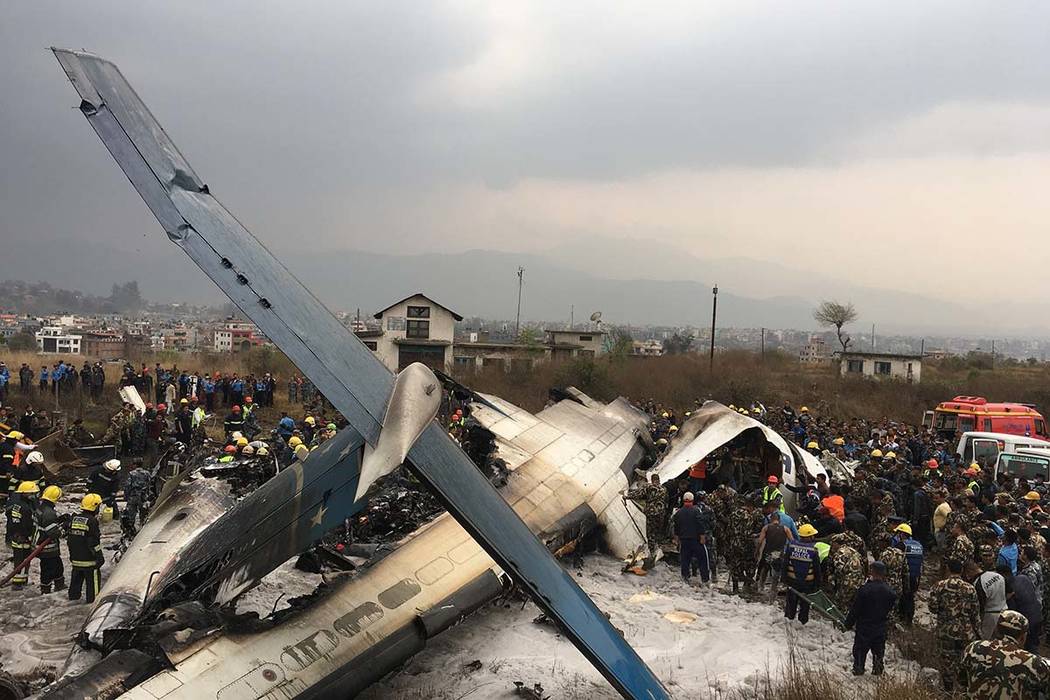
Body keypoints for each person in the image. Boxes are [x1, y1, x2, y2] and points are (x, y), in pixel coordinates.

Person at [961, 609, 1050, 697]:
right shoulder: (1035, 664)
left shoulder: (973, 648)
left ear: (996, 629)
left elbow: (962, 680)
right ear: (1023, 637)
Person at [928, 559, 981, 691]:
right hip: (966, 632)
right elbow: (975, 613)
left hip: (946, 632)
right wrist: (978, 632)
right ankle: (964, 690)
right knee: (965, 662)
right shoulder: (970, 588)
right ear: (961, 570)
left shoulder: (939, 586)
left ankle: (949, 691)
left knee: (947, 663)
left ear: (948, 569)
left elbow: (932, 608)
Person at [845, 561, 897, 676]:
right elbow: (891, 612)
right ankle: (877, 675)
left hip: (864, 627)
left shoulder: (864, 590)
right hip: (881, 628)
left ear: (872, 572)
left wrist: (848, 624)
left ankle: (858, 672)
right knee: (878, 655)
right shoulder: (891, 592)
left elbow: (855, 610)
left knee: (859, 653)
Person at [67, 493, 104, 604]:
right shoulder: (92, 521)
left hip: (76, 560)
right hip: (90, 562)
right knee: (93, 591)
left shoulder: (74, 519)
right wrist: (99, 557)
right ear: (94, 506)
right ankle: (91, 606)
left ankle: (72, 602)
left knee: (75, 585)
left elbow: (70, 540)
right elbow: (94, 542)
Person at [781, 523, 822, 624]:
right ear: (809, 536)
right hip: (807, 584)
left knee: (790, 604)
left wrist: (784, 579)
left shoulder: (791, 547)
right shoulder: (813, 550)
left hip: (792, 581)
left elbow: (785, 564)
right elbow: (817, 570)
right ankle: (802, 623)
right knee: (805, 606)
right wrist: (818, 585)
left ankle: (789, 622)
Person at [626, 474, 668, 568]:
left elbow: (638, 494)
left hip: (651, 513)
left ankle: (652, 555)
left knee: (650, 534)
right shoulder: (664, 489)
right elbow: (666, 501)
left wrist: (627, 496)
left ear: (652, 480)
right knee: (657, 532)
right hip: (661, 514)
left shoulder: (649, 487)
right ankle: (657, 549)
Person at [5, 481, 39, 590]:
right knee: (21, 561)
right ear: (24, 493)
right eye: (31, 493)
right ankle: (17, 583)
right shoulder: (25, 508)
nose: (33, 495)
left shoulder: (17, 504)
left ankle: (22, 580)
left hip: (17, 535)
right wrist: (29, 536)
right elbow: (26, 524)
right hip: (22, 537)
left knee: (22, 560)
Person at [673, 492, 711, 584]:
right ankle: (705, 579)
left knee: (685, 559)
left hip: (684, 540)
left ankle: (685, 577)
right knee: (703, 559)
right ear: (693, 500)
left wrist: (676, 538)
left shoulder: (679, 513)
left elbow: (676, 526)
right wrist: (702, 536)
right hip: (696, 539)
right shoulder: (696, 510)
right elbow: (700, 523)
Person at [35, 485, 65, 594]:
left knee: (57, 565)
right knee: (48, 569)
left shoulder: (41, 507)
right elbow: (53, 533)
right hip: (48, 547)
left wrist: (59, 520)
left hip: (41, 544)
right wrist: (63, 530)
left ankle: (58, 584)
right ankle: (46, 589)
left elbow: (46, 524)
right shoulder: (49, 513)